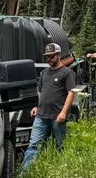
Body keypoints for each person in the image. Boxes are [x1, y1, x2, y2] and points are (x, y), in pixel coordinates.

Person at [22, 42, 76, 170]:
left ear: (58, 55)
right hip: (41, 116)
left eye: (52, 56)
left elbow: (71, 93)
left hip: (57, 117)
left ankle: (59, 172)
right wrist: (37, 106)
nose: (49, 59)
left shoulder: (67, 73)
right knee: (33, 145)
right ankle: (24, 174)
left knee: (59, 146)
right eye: (47, 57)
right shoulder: (44, 73)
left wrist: (63, 112)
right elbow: (41, 92)